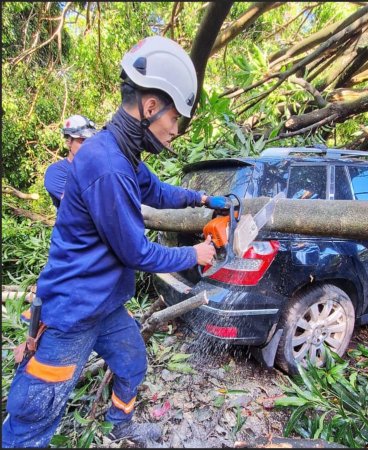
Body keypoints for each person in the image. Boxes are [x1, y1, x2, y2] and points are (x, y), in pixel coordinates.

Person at [2, 36, 228, 447]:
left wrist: (202, 198)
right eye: (176, 119)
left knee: (132, 363)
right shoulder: (106, 166)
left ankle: (119, 425)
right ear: (151, 106)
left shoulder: (122, 154)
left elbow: (156, 191)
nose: (176, 130)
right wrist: (194, 252)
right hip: (73, 312)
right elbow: (135, 251)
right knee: (36, 410)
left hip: (104, 306)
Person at [44, 115, 98, 208]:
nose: (87, 145)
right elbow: (83, 202)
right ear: (69, 141)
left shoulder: (98, 168)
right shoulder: (57, 172)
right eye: (82, 140)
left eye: (90, 141)